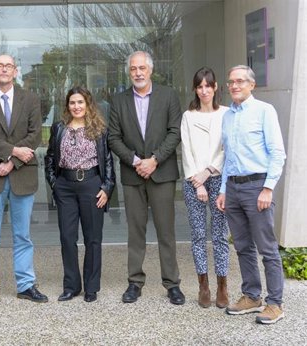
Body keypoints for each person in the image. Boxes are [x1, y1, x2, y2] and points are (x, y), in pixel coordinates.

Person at [108, 51, 185, 305]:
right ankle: (134, 282)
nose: (138, 73)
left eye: (142, 68)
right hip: (133, 174)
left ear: (150, 70)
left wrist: (154, 160)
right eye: (133, 69)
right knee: (135, 231)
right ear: (129, 72)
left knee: (166, 231)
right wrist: (135, 161)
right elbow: (113, 137)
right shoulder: (118, 100)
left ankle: (172, 284)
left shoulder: (169, 96)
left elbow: (175, 132)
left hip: (161, 173)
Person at [0, 54, 47, 308]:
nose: (4, 70)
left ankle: (26, 285)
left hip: (21, 175)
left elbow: (35, 135)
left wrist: (12, 162)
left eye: (8, 66)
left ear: (16, 71)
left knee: (23, 235)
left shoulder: (31, 99)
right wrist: (13, 152)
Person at [217, 65, 286, 324]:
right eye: (231, 82)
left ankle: (275, 303)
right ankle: (252, 296)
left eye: (240, 81)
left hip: (258, 187)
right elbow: (228, 157)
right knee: (243, 247)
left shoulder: (264, 111)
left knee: (268, 249)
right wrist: (224, 189)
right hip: (233, 188)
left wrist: (268, 188)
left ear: (251, 85)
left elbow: (277, 153)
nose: (234, 86)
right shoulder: (227, 116)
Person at [45, 86, 115, 303]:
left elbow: (108, 161)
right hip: (65, 186)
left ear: (88, 104)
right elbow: (49, 158)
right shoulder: (59, 128)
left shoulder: (99, 129)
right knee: (67, 238)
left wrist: (106, 187)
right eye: (72, 103)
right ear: (67, 105)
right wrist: (54, 184)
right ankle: (71, 286)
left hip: (92, 185)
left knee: (93, 238)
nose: (76, 106)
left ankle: (91, 287)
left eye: (80, 102)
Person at [180, 67, 230, 309]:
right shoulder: (188, 116)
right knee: (199, 236)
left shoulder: (227, 114)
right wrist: (196, 180)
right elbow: (186, 150)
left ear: (215, 87)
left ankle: (222, 285)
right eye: (199, 86)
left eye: (207, 86)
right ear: (195, 89)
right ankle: (203, 285)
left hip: (219, 178)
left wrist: (208, 172)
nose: (204, 90)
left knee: (220, 235)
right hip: (193, 182)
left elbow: (226, 149)